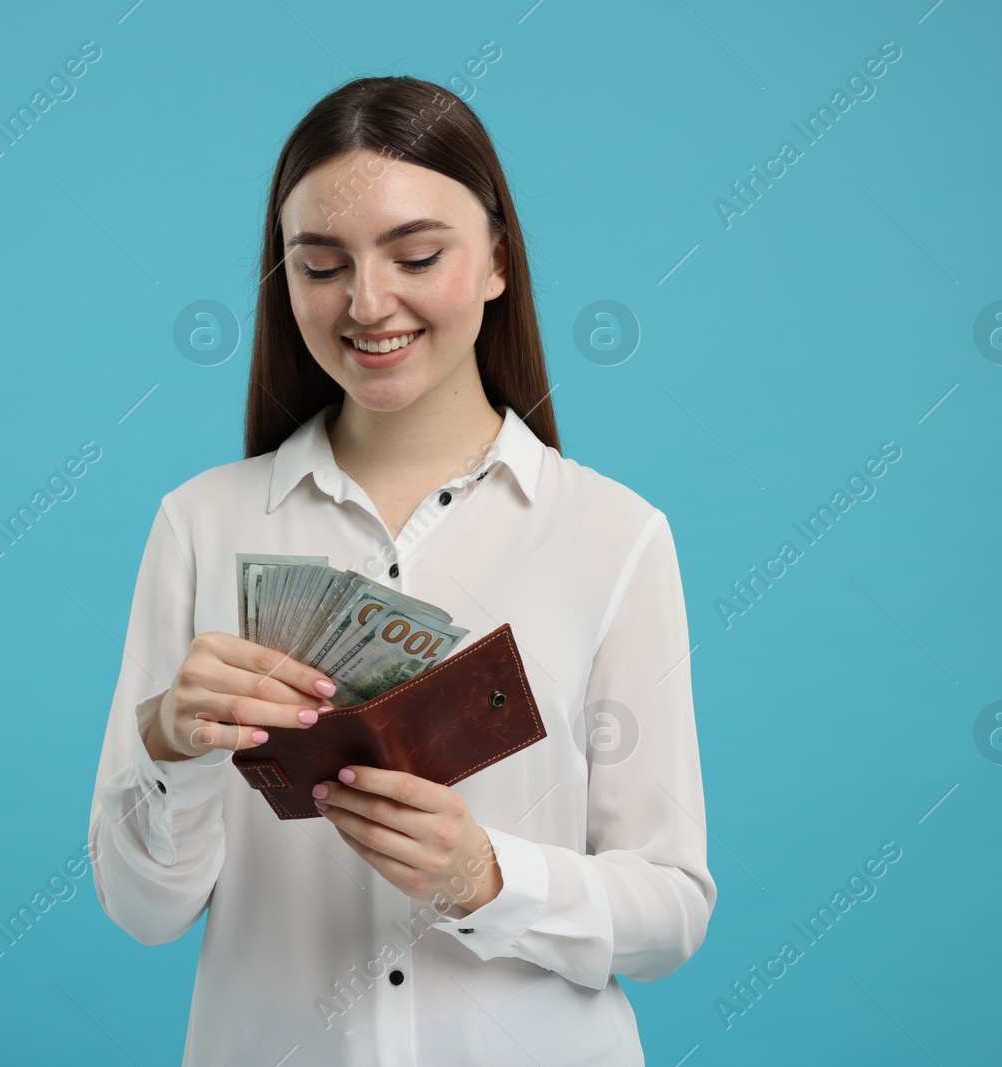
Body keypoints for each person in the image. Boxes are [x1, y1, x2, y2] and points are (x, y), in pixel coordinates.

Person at [88, 75, 716, 1066]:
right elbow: (142, 909)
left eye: (416, 254)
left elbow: (671, 910)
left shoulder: (613, 533)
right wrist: (167, 745)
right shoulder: (200, 524)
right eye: (320, 265)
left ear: (499, 259)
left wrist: (487, 876)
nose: (367, 303)